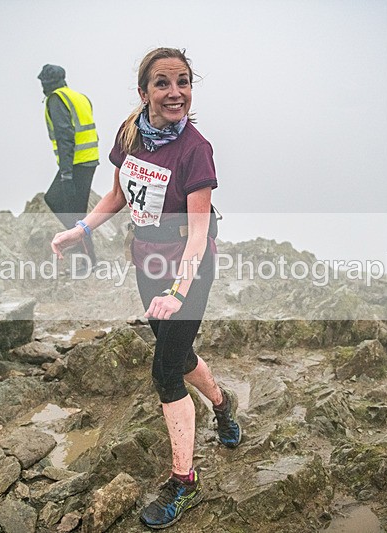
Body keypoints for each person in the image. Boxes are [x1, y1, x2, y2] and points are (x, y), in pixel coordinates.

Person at [51, 47, 241, 529]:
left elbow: (198, 234)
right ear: (144, 92)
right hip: (146, 263)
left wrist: (177, 292)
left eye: (183, 82)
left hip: (189, 268)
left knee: (165, 372)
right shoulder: (130, 132)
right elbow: (117, 194)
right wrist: (82, 229)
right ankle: (222, 404)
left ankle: (184, 482)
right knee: (174, 351)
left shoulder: (195, 149)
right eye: (163, 83)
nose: (174, 92)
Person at [39, 64, 100, 271]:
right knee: (75, 211)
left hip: (76, 163)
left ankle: (87, 258)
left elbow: (65, 137)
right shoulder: (78, 97)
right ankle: (85, 253)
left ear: (47, 83)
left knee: (59, 202)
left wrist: (66, 175)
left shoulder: (56, 100)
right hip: (88, 159)